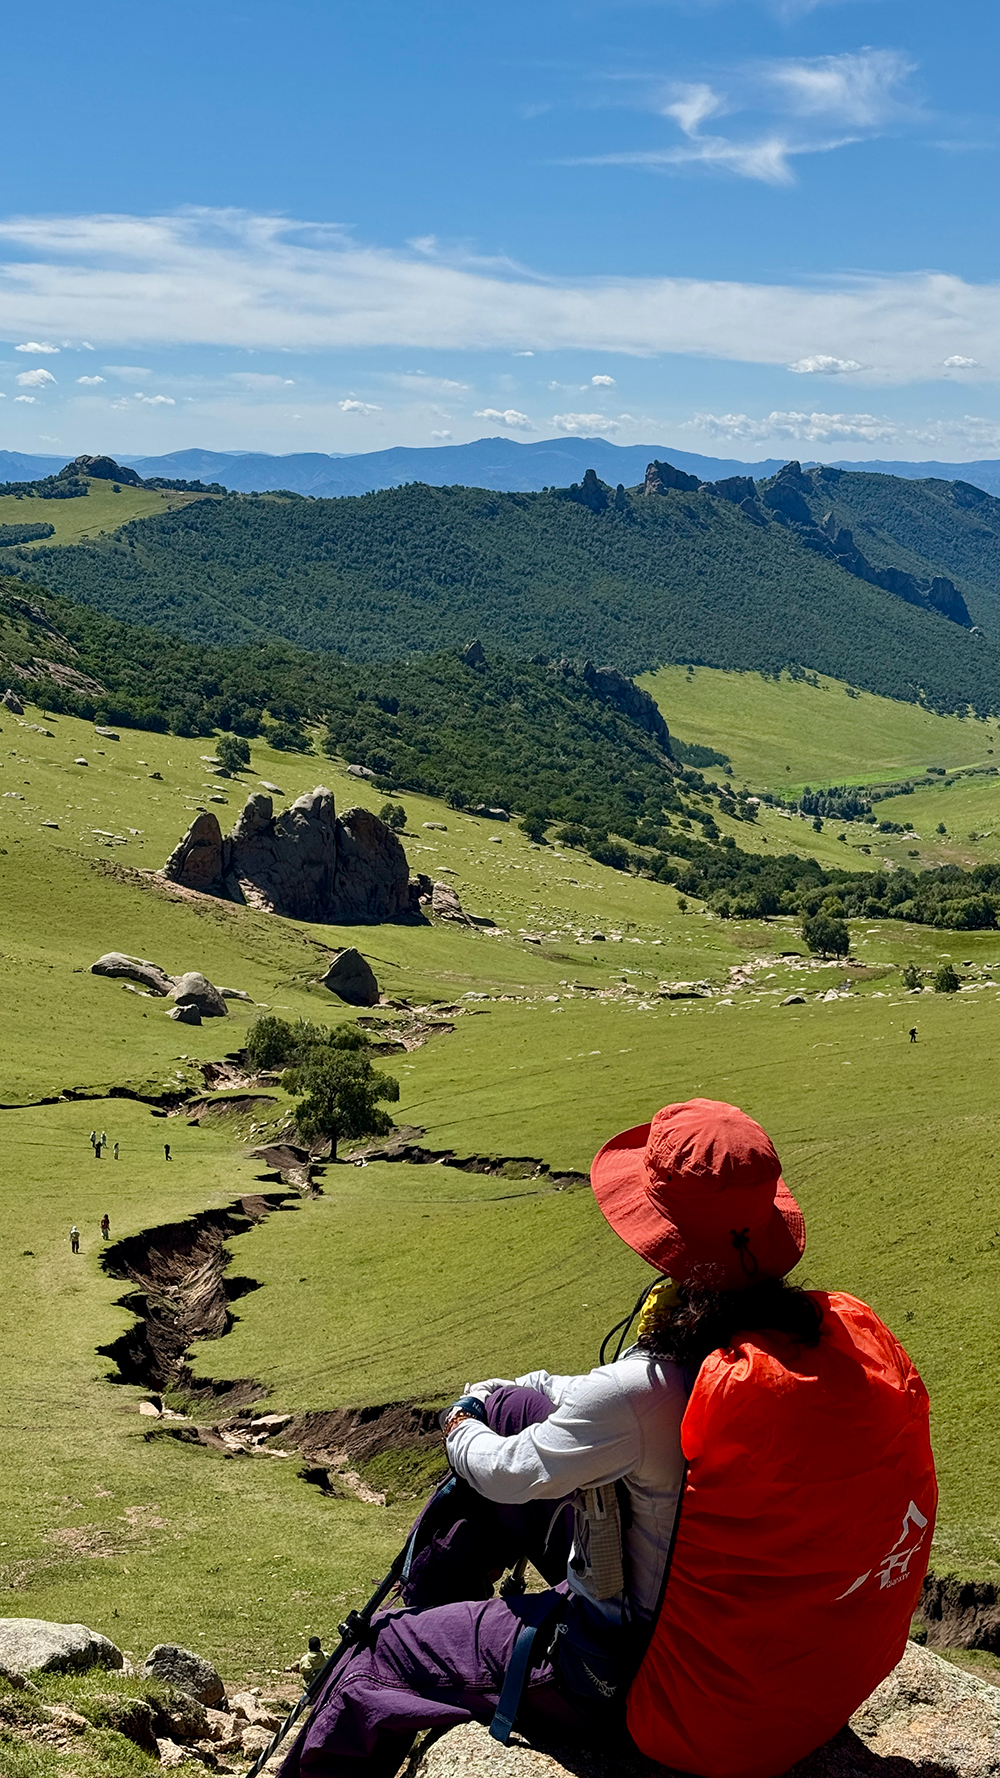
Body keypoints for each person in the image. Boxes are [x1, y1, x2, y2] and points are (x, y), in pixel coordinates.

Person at [283, 1099, 935, 1778]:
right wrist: (505, 1395)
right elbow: (595, 1399)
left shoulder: (646, 1389)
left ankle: (435, 1643)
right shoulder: (803, 1348)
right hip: (779, 1679)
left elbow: (507, 1473)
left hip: (637, 1679)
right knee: (518, 1406)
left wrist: (460, 1423)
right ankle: (454, 1631)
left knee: (381, 1652)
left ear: (663, 1242)